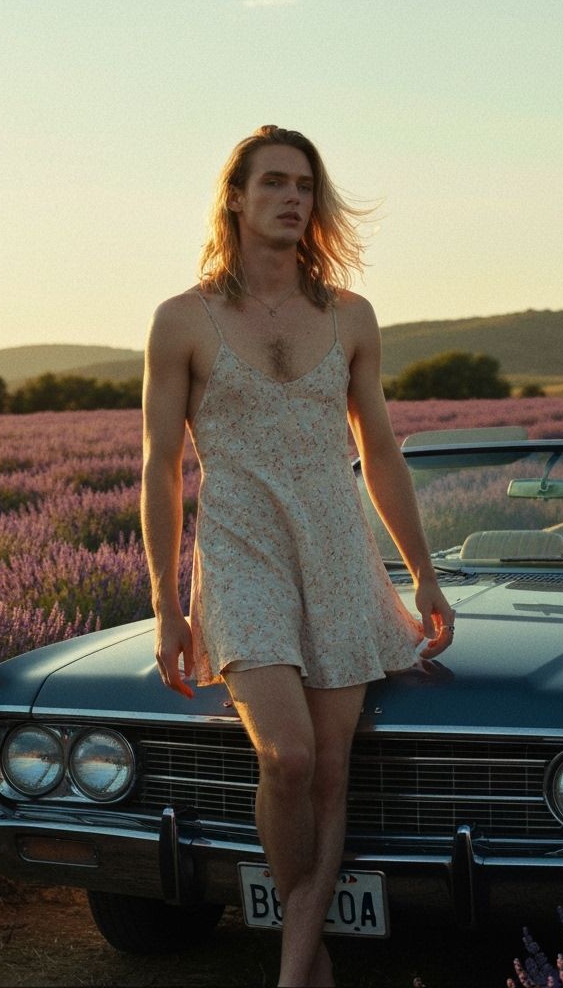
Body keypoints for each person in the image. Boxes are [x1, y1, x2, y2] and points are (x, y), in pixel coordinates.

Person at [141, 124, 455, 987]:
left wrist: (422, 571)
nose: (292, 198)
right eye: (274, 183)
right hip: (240, 554)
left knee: (330, 769)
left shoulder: (349, 316)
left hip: (338, 553)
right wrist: (169, 605)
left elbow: (381, 451)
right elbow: (161, 469)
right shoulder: (182, 320)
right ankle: (301, 962)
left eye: (306, 187)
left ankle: (298, 961)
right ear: (234, 199)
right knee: (286, 756)